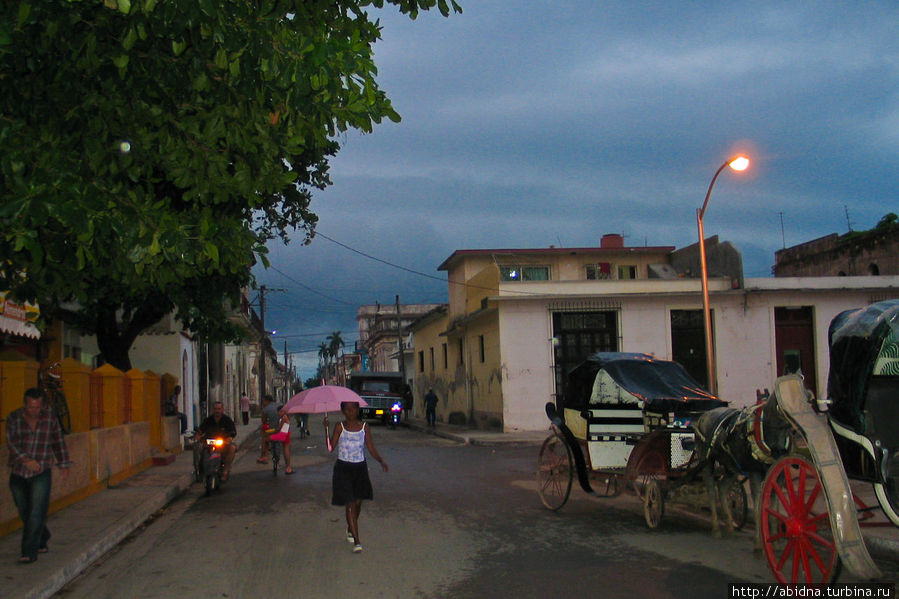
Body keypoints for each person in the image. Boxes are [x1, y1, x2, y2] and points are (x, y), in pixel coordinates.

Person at [6, 388, 72, 564]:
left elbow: (58, 442)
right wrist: (26, 460)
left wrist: (63, 463)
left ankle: (29, 551)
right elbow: (10, 442)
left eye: (37, 407)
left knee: (37, 511)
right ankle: (43, 536)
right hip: (18, 471)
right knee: (25, 510)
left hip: (42, 472)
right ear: (24, 405)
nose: (33, 411)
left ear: (42, 406)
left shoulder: (50, 419)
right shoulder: (14, 418)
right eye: (30, 407)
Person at [323, 401, 388, 553]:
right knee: (350, 503)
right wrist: (326, 430)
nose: (350, 411)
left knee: (358, 503)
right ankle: (357, 541)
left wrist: (381, 461)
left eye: (353, 408)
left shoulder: (365, 427)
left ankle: (350, 527)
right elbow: (330, 448)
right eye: (347, 409)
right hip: (343, 469)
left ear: (358, 410)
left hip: (360, 469)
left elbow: (370, 447)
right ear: (343, 411)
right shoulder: (340, 426)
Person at [197, 401, 237, 482]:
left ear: (222, 409)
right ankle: (201, 471)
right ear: (213, 410)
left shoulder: (227, 420)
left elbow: (232, 431)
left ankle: (225, 471)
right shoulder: (208, 420)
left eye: (219, 409)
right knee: (200, 450)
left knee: (232, 448)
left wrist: (229, 438)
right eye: (215, 409)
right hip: (209, 444)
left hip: (222, 444)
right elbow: (201, 430)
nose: (217, 411)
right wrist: (198, 436)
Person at [257, 394, 279, 464]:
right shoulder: (279, 406)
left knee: (264, 437)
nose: (263, 403)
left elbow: (264, 421)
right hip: (282, 430)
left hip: (272, 430)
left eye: (263, 401)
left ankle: (264, 456)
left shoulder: (265, 409)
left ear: (267, 401)